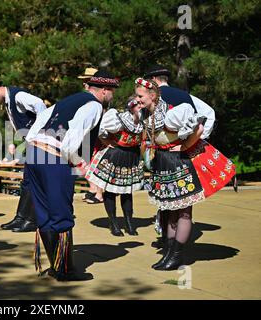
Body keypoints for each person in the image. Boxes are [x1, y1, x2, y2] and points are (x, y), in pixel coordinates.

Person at [26, 70, 119, 281]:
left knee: (44, 213)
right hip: (54, 158)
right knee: (61, 214)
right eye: (112, 92)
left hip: (34, 154)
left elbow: (38, 123)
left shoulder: (70, 99)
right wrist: (80, 164)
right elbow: (71, 141)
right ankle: (65, 270)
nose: (112, 96)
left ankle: (55, 266)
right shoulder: (94, 106)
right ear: (104, 91)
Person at [135, 77, 236, 270]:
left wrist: (184, 146)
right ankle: (169, 254)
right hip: (164, 163)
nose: (137, 99)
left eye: (140, 96)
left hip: (179, 163)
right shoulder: (148, 113)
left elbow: (198, 128)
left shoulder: (172, 113)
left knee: (183, 212)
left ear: (153, 95)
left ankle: (177, 256)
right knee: (170, 211)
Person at [143, 65, 217, 250]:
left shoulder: (154, 99)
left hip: (164, 157)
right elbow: (208, 114)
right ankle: (170, 246)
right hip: (180, 155)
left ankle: (171, 247)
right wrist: (192, 143)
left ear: (154, 82)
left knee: (171, 203)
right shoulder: (186, 96)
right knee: (175, 204)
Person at [0, 76, 46, 232]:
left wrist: (39, 133)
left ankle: (32, 220)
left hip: (41, 144)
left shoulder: (18, 96)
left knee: (35, 182)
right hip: (33, 144)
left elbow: (40, 104)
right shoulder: (8, 100)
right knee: (28, 182)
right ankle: (21, 218)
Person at [85, 95, 145, 236]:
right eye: (139, 104)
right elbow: (100, 132)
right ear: (131, 105)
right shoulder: (119, 118)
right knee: (111, 190)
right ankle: (113, 223)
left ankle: (129, 224)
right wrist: (106, 142)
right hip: (117, 155)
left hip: (132, 156)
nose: (141, 106)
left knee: (127, 191)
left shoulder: (143, 119)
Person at [77, 67, 105, 204]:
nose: (85, 84)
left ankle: (99, 193)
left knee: (95, 163)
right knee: (85, 162)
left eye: (87, 81)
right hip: (88, 134)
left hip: (97, 134)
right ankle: (93, 189)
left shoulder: (99, 96)